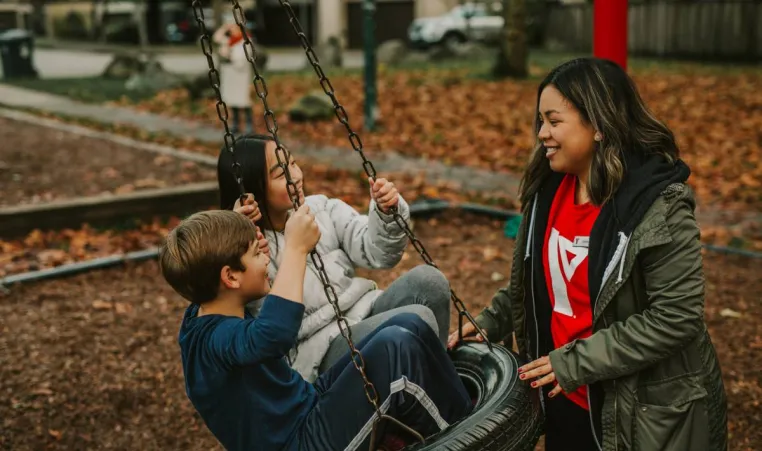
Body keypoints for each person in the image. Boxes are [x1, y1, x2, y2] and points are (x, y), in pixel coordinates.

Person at [448, 57, 727, 451]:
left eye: (554, 121)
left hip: (637, 409)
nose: (542, 133)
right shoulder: (548, 192)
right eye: (540, 121)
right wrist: (492, 322)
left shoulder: (657, 205)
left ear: (598, 125)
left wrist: (573, 364)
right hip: (565, 393)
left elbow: (675, 318)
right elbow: (538, 282)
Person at [159, 208, 472, 451]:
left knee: (407, 325)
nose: (266, 255)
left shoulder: (204, 310)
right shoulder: (216, 340)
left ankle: (466, 414)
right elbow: (273, 334)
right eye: (256, 253)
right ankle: (476, 434)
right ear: (230, 277)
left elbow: (217, 280)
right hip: (299, 442)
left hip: (309, 406)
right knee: (395, 346)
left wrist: (232, 237)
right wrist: (295, 250)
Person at [217, 134, 452, 382]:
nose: (295, 176)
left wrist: (386, 213)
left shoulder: (321, 209)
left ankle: (437, 381)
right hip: (320, 349)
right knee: (418, 318)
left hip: (364, 310)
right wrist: (236, 239)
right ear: (251, 190)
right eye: (280, 173)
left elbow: (378, 253)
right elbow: (236, 312)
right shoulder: (250, 245)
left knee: (430, 281)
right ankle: (435, 391)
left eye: (293, 163)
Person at [213, 22, 254, 135]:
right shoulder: (229, 40)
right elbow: (216, 38)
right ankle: (236, 124)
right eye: (232, 29)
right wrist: (224, 27)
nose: (233, 30)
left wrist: (229, 54)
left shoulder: (245, 41)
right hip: (230, 74)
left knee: (244, 101)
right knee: (233, 100)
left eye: (235, 28)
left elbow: (243, 59)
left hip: (241, 75)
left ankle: (249, 125)